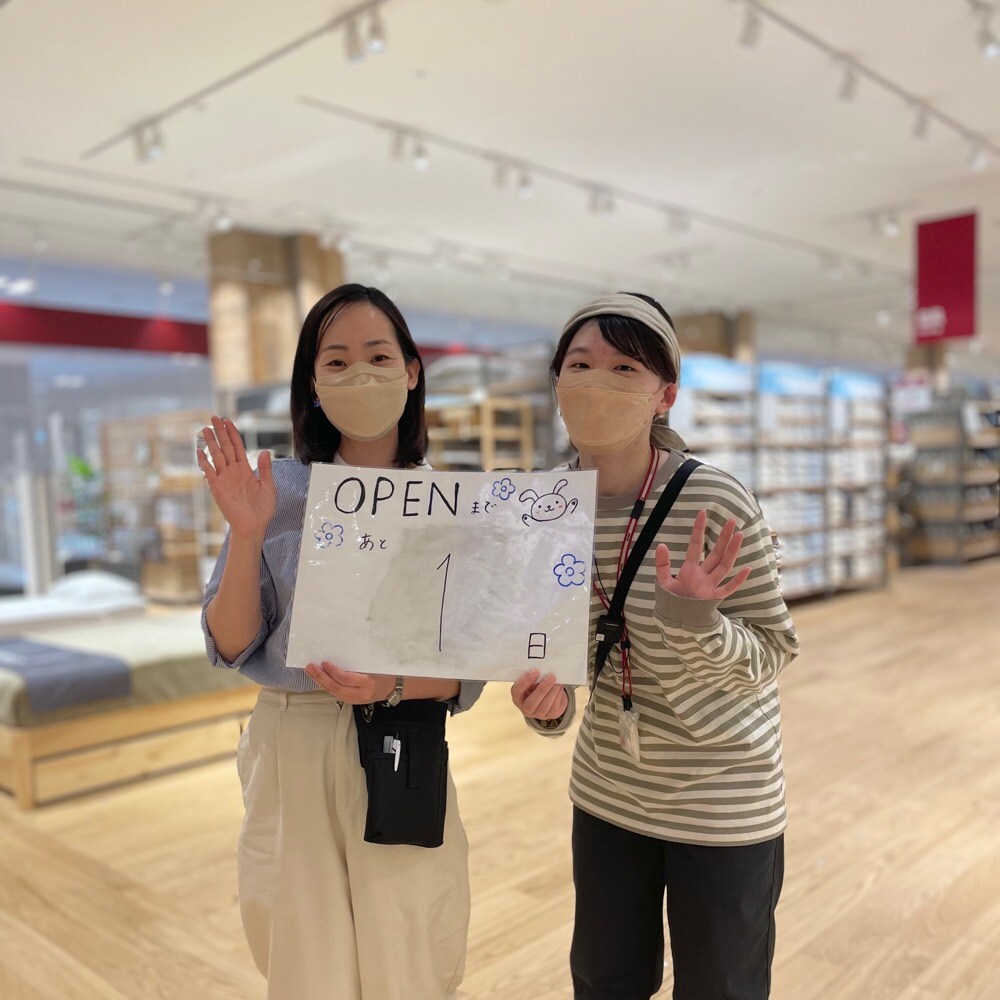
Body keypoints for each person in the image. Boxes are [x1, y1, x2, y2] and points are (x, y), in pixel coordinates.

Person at [511, 292, 800, 1000]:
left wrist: (699, 623)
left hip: (722, 797)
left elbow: (773, 650)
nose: (596, 381)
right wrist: (547, 706)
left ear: (664, 394)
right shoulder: (544, 508)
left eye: (624, 368)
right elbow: (561, 659)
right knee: (604, 982)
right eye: (580, 364)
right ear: (556, 382)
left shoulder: (716, 502)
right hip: (608, 792)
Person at [199, 284, 481, 1000]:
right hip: (293, 738)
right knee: (304, 960)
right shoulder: (278, 491)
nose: (361, 374)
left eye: (379, 357)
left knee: (410, 953)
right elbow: (231, 643)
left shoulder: (447, 501)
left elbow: (469, 670)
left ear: (411, 372)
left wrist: (390, 685)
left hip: (405, 737)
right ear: (314, 385)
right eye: (337, 361)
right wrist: (247, 533)